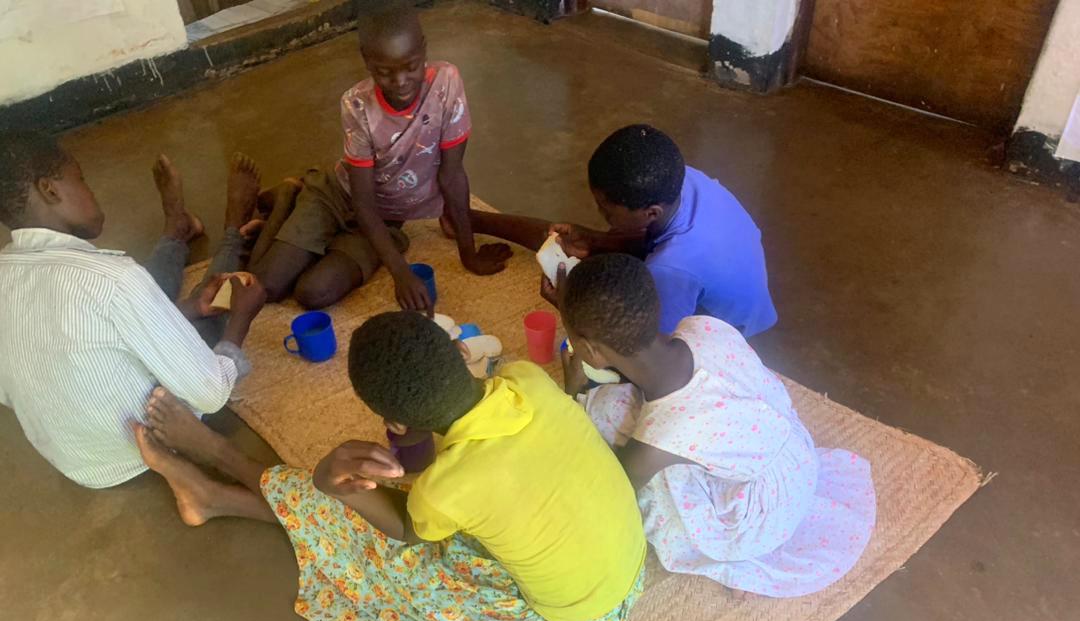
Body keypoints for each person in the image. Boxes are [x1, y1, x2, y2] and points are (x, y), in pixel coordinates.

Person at [133, 311, 647, 621]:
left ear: (395, 424)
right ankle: (213, 497)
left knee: (364, 533)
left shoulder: (445, 490)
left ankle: (218, 459)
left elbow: (404, 531)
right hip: (625, 573)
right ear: (460, 353)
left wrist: (330, 481)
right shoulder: (526, 378)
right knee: (405, 511)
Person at [558, 253, 875, 597]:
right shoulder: (701, 327)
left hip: (760, 520)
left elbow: (613, 489)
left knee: (601, 413)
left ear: (591, 351)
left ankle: (736, 557)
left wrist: (573, 392)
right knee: (615, 404)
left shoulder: (662, 437)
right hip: (796, 457)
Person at [0, 131, 267, 488]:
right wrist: (241, 318)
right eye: (82, 179)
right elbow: (211, 392)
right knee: (205, 309)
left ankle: (176, 231)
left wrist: (187, 309)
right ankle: (233, 231)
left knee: (142, 295)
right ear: (50, 190)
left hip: (80, 465)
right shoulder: (114, 279)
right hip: (145, 443)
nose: (91, 192)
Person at [251, 1, 511, 313]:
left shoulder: (446, 84)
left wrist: (469, 254)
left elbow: (452, 176)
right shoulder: (356, 104)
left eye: (411, 67)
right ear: (367, 61)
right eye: (385, 73)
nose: (400, 82)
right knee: (268, 287)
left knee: (312, 293)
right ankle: (288, 197)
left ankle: (320, 235)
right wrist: (400, 273)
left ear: (423, 50)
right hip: (336, 196)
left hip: (383, 218)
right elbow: (362, 202)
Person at [469, 123, 777, 337]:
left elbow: (650, 352)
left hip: (725, 328)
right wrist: (595, 240)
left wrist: (569, 309)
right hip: (725, 283)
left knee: (604, 305)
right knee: (568, 244)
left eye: (607, 210)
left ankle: (473, 220)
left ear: (651, 212)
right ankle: (472, 219)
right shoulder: (680, 180)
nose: (599, 215)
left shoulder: (671, 269)